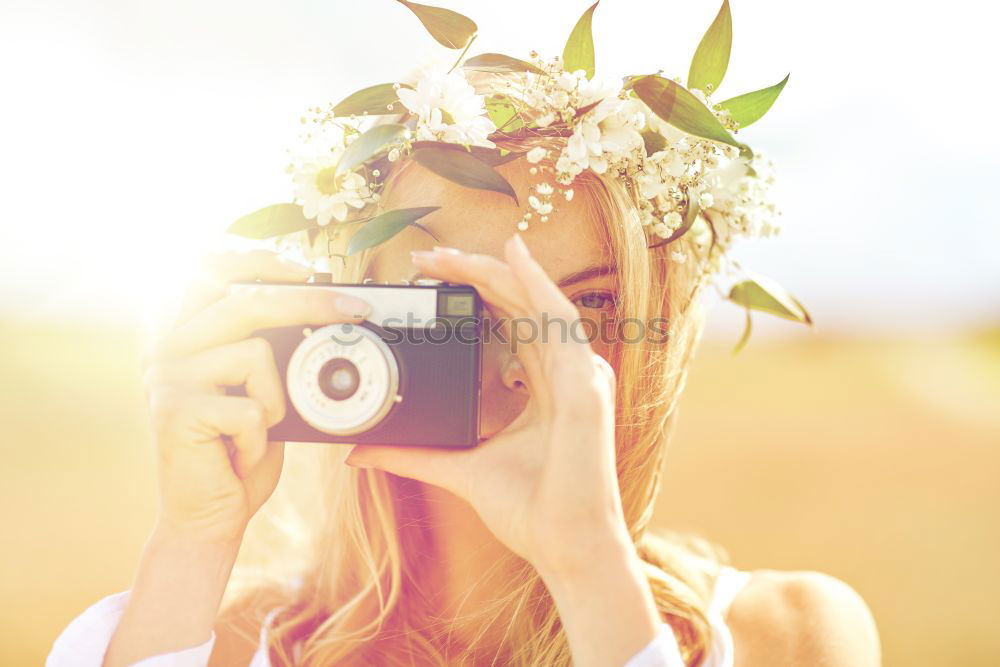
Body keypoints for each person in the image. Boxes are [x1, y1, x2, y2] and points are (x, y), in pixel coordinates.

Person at [47, 44, 881, 667]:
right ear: (345, 316)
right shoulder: (207, 636)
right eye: (449, 303)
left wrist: (590, 567)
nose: (524, 360)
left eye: (581, 308)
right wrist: (192, 539)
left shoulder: (788, 634)